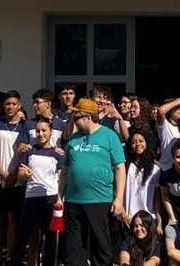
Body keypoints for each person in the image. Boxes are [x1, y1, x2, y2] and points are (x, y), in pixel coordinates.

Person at [60, 98, 127, 266]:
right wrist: (59, 197)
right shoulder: (73, 139)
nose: (74, 120)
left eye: (76, 117)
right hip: (73, 201)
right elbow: (65, 170)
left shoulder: (109, 136)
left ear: (88, 117)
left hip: (100, 201)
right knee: (73, 249)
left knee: (101, 248)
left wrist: (119, 199)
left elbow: (120, 168)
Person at [12, 117, 64, 266]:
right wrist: (24, 174)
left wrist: (60, 199)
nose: (41, 134)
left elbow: (60, 179)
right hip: (32, 198)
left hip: (50, 198)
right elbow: (21, 174)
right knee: (22, 237)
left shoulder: (58, 153)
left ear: (51, 131)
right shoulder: (29, 151)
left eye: (44, 130)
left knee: (50, 238)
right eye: (38, 131)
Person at [0, 90, 28, 266]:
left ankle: (11, 255)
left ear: (19, 105)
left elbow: (25, 153)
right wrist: (2, 172)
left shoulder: (24, 126)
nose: (10, 107)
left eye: (13, 104)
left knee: (13, 218)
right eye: (7, 104)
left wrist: (13, 174)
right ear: (3, 106)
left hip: (17, 179)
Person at [125, 130, 161, 221]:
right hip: (129, 218)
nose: (137, 144)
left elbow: (157, 197)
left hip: (149, 218)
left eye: (141, 141)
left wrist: (158, 218)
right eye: (134, 142)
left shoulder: (155, 169)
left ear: (147, 143)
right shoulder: (126, 166)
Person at [157, 97, 180, 170]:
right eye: (177, 107)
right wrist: (176, 102)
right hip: (166, 168)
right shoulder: (165, 125)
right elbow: (160, 111)